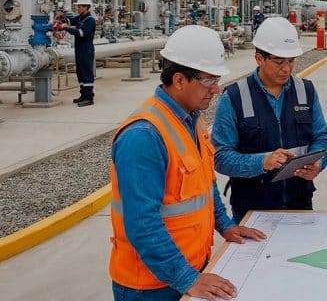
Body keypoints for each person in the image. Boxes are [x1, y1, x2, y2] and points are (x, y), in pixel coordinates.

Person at [109, 25, 266, 301]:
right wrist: (187, 278)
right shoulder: (143, 136)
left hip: (187, 271)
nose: (216, 89)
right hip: (150, 287)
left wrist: (225, 225)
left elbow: (205, 185)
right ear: (179, 80)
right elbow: (142, 223)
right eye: (208, 80)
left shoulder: (192, 119)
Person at [212, 17, 327, 224]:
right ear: (259, 58)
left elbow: (321, 138)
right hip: (251, 211)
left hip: (300, 204)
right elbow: (220, 157)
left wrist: (318, 163)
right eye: (279, 62)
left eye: (291, 61)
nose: (286, 69)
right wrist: (261, 162)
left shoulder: (306, 91)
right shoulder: (234, 97)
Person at [67, 0, 97, 107]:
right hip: (79, 49)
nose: (78, 8)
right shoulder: (80, 18)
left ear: (86, 7)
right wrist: (62, 20)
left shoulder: (90, 20)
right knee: (80, 72)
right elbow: (70, 21)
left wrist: (66, 28)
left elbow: (80, 33)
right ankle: (83, 95)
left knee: (86, 72)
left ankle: (89, 98)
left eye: (79, 6)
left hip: (86, 49)